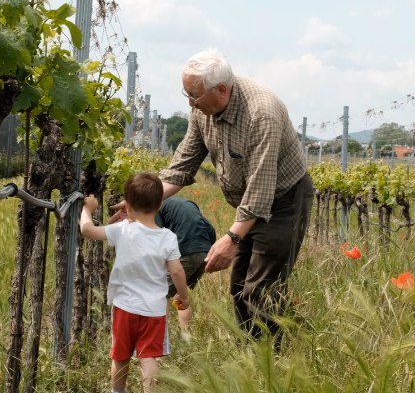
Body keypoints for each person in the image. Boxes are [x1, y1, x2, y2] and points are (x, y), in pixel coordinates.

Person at [117, 48, 314, 344]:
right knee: (239, 287)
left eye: (194, 96)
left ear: (222, 89)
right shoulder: (201, 110)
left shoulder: (262, 114)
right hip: (250, 202)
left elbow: (261, 190)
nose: (190, 103)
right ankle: (253, 352)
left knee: (260, 290)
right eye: (186, 95)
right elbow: (183, 164)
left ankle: (273, 359)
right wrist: (141, 202)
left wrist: (231, 239)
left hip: (283, 200)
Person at [79, 172, 190, 393]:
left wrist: (88, 210)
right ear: (160, 205)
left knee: (120, 356)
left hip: (125, 307)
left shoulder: (122, 230)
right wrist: (183, 297)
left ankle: (117, 391)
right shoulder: (168, 237)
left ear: (127, 206)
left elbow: (87, 230)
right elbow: (177, 272)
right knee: (148, 357)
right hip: (153, 311)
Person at [156, 196, 215, 335]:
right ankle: (186, 337)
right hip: (204, 252)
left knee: (158, 293)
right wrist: (209, 251)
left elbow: (157, 234)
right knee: (181, 293)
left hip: (185, 252)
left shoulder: (155, 206)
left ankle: (159, 340)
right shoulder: (187, 203)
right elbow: (210, 229)